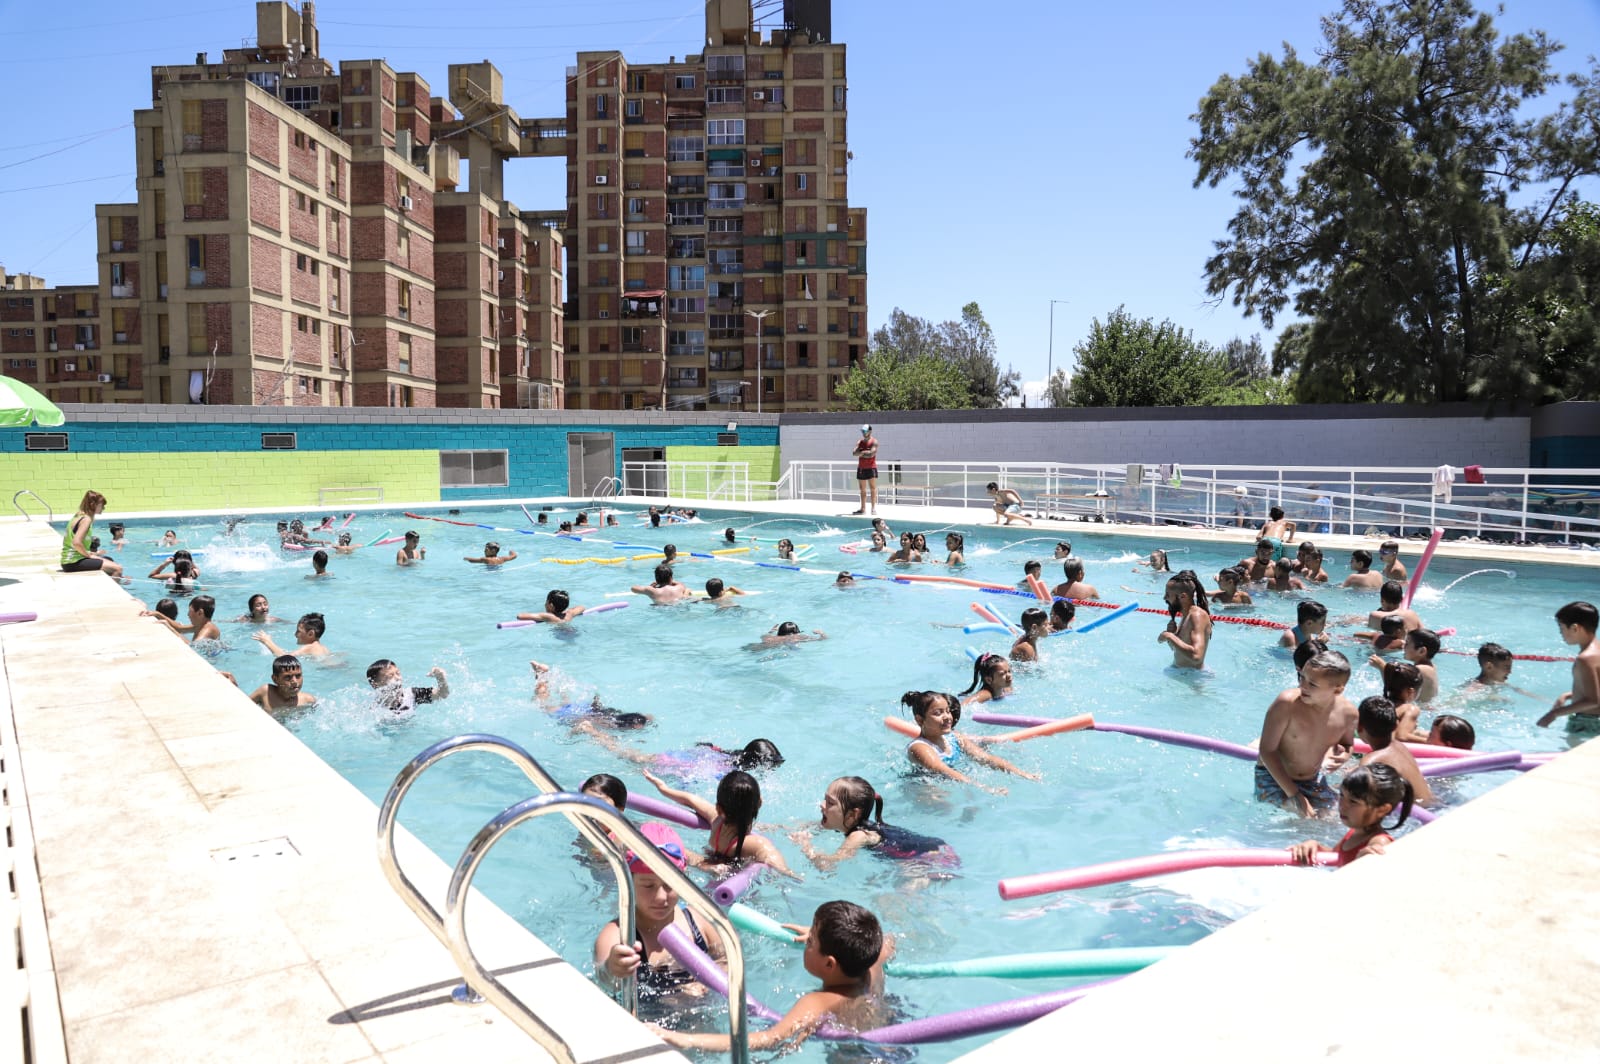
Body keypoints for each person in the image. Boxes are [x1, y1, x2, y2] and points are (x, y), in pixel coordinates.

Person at [653, 900, 891, 1053]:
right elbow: (886, 943)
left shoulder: (818, 1001)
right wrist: (822, 937)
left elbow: (769, 1039)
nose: (806, 944)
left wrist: (685, 1040)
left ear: (830, 963)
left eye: (810, 942)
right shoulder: (871, 969)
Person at [593, 823, 727, 1005]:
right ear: (628, 881)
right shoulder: (618, 934)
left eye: (669, 885)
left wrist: (705, 984)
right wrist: (612, 968)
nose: (661, 897)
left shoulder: (699, 921)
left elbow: (726, 961)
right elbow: (604, 982)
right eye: (648, 886)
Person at [1255, 649, 1357, 816]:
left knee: (1337, 817)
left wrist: (1344, 755)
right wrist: (1295, 796)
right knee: (1299, 817)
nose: (1302, 685)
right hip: (1273, 778)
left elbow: (1347, 744)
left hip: (1311, 780)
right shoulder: (1286, 704)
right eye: (1302, 677)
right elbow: (1266, 751)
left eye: (1312, 684)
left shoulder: (1348, 714)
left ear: (1338, 690)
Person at [641, 770, 796, 875]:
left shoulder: (716, 820)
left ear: (719, 808)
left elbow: (690, 799)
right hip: (729, 875)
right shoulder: (753, 843)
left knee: (680, 849)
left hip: (707, 863)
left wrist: (663, 788)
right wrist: (790, 874)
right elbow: (774, 860)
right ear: (760, 803)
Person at [790, 776, 956, 870]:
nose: (822, 805)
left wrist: (806, 847)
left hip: (932, 858)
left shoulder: (859, 835)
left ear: (853, 814)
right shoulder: (849, 823)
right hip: (937, 847)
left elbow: (829, 866)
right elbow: (806, 827)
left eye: (830, 803)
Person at [903, 689, 1036, 792]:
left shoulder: (954, 737)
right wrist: (984, 788)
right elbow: (943, 770)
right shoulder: (919, 747)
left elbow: (985, 758)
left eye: (947, 711)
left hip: (951, 782)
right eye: (938, 713)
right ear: (920, 720)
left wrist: (1022, 773)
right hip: (923, 789)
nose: (947, 717)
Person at [1289, 763, 1413, 867]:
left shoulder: (1379, 841)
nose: (1342, 805)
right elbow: (1338, 856)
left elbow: (1380, 855)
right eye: (1342, 795)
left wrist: (1369, 858)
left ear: (1382, 809)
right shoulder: (1355, 832)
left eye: (1353, 802)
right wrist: (1315, 846)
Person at [1353, 696, 1432, 804]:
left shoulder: (1370, 761)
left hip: (1415, 816)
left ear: (1359, 727)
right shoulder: (1401, 747)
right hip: (1432, 804)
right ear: (1396, 725)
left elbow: (1359, 799)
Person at [531, 661, 652, 730]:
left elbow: (648, 717)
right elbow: (588, 721)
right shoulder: (611, 725)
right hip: (575, 714)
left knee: (565, 702)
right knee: (542, 705)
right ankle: (541, 674)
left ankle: (544, 674)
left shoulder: (618, 716)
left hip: (584, 708)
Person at [1537, 601, 1600, 731]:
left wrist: (1553, 714)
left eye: (1562, 628)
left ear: (1575, 628)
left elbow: (1593, 700)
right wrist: (1567, 695)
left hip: (1587, 723)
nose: (1561, 634)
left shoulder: (1585, 659)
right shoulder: (1597, 652)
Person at [61, 490, 125, 580]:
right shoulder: (86, 520)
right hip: (73, 562)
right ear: (93, 505)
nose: (103, 508)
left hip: (72, 560)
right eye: (102, 505)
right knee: (118, 568)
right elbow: (76, 542)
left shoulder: (78, 515)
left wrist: (93, 553)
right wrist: (89, 555)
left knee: (109, 560)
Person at [1158, 571, 1212, 669]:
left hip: (1193, 677)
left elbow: (1197, 656)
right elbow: (1177, 650)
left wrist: (1170, 636)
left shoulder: (1197, 616)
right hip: (1182, 671)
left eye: (1168, 594)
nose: (1164, 598)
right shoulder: (1186, 615)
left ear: (1183, 596)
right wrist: (1173, 634)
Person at [366, 658, 450, 712]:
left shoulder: (412, 694)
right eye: (390, 676)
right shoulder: (375, 709)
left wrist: (440, 678)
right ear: (375, 684)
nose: (397, 678)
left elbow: (442, 694)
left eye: (398, 673)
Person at [249, 654, 318, 714]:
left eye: (298, 676)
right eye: (288, 677)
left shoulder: (308, 701)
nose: (294, 681)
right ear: (275, 679)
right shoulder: (265, 692)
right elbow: (242, 705)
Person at [1382, 660, 1428, 743]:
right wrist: (1430, 741)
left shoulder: (1380, 703)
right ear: (1411, 691)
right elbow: (1401, 736)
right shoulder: (1410, 709)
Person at [253, 612, 330, 658]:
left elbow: (284, 658)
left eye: (298, 631)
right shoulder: (323, 648)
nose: (295, 635)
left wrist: (268, 641)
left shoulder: (309, 647)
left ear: (310, 634)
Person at [852, 424, 879, 515]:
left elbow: (871, 454)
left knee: (872, 488)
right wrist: (865, 452)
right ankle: (863, 509)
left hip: (871, 467)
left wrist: (861, 452)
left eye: (865, 431)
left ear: (870, 431)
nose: (863, 433)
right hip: (861, 468)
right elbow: (854, 453)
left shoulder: (874, 441)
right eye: (862, 431)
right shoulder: (860, 442)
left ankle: (873, 508)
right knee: (862, 489)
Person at [518, 589, 586, 623]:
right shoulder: (569, 613)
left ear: (550, 605)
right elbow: (582, 607)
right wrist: (567, 610)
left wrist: (542, 617)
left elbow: (520, 616)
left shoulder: (549, 616)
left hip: (562, 636)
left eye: (546, 602)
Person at [750, 621, 827, 650]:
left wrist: (771, 631)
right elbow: (822, 639)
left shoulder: (769, 637)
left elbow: (763, 636)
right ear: (796, 632)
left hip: (756, 647)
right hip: (772, 649)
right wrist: (821, 633)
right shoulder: (798, 637)